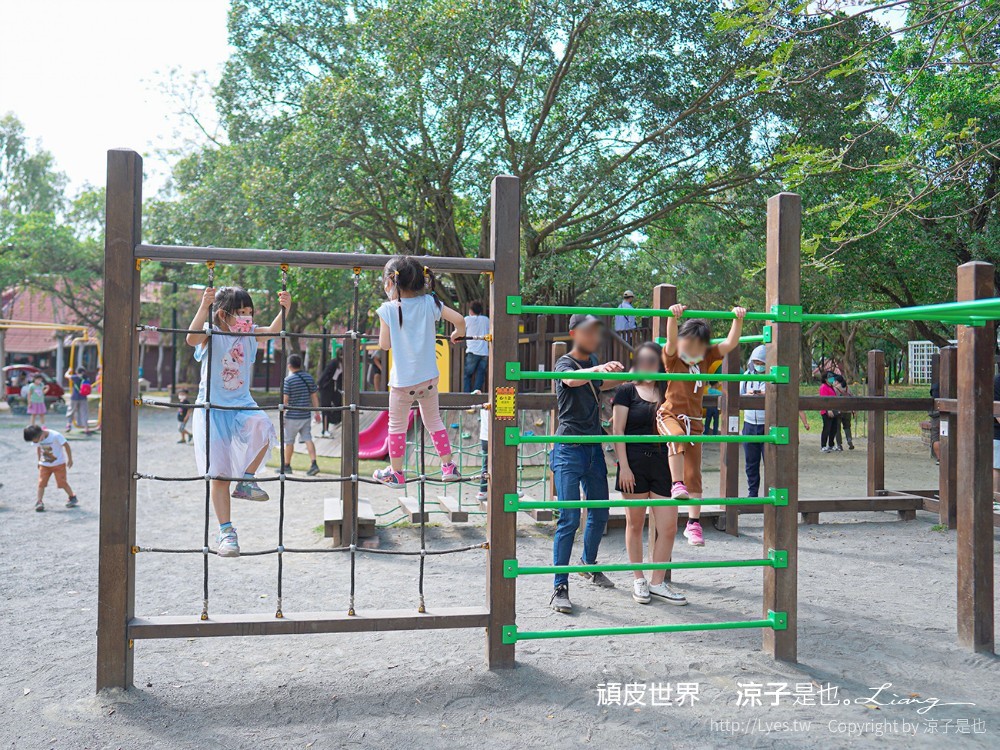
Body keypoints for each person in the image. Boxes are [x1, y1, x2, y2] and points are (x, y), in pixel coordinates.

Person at [186, 285, 287, 557]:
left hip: (242, 404)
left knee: (264, 428)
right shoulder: (213, 332)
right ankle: (226, 532)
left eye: (250, 313)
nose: (248, 318)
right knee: (218, 475)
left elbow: (273, 331)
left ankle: (247, 479)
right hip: (212, 408)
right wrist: (203, 305)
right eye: (241, 313)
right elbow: (192, 339)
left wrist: (284, 309)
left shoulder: (249, 334)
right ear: (222, 314)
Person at [549, 314, 623, 614]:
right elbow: (570, 379)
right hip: (568, 448)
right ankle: (559, 586)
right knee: (568, 518)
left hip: (593, 448)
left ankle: (588, 563)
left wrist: (627, 373)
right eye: (588, 330)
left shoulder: (592, 361)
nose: (594, 335)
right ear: (573, 333)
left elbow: (604, 383)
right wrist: (598, 368)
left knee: (600, 511)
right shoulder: (564, 363)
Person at [657, 304, 745, 547]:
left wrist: (737, 319)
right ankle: (676, 483)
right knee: (675, 439)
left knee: (694, 475)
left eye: (698, 346)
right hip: (670, 416)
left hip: (695, 423)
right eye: (688, 344)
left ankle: (693, 524)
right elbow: (671, 339)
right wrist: (673, 317)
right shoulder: (673, 359)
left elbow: (729, 344)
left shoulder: (706, 358)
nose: (692, 350)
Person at [373, 255, 465, 487]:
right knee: (434, 421)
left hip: (403, 383)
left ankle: (396, 472)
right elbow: (460, 319)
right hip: (429, 380)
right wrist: (457, 332)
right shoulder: (429, 303)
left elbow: (384, 345)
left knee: (397, 427)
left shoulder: (388, 309)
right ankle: (448, 466)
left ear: (391, 283)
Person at [612, 341, 686, 606]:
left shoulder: (667, 391)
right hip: (633, 463)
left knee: (668, 527)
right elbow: (617, 431)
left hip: (663, 463)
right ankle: (638, 579)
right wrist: (625, 467)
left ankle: (657, 581)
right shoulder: (626, 391)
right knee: (635, 523)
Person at [740, 345, 810, 497]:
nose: (758, 365)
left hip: (768, 423)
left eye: (762, 362)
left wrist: (767, 394)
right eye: (756, 362)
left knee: (771, 462)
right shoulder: (746, 376)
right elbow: (738, 397)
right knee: (751, 462)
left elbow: (783, 396)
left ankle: (770, 493)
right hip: (749, 424)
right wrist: (748, 394)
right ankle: (752, 493)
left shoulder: (774, 376)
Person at [282, 353, 321, 476]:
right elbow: (314, 396)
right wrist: (317, 412)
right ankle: (314, 463)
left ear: (289, 366)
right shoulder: (309, 377)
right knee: (308, 439)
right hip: (305, 415)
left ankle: (287, 465)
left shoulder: (288, 380)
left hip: (292, 416)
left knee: (289, 441)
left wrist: (282, 415)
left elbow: (285, 400)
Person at [24, 424, 78, 511]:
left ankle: (72, 496)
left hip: (59, 464)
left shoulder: (55, 436)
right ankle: (39, 501)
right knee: (41, 483)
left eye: (36, 441)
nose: (35, 442)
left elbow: (66, 445)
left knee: (62, 482)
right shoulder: (37, 439)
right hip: (44, 465)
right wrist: (39, 460)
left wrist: (70, 459)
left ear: (40, 434)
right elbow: (38, 448)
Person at [463, 301, 490, 392]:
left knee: (468, 375)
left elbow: (461, 331)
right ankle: (477, 392)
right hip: (484, 352)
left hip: (472, 351)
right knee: (480, 374)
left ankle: (466, 394)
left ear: (471, 310)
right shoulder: (486, 320)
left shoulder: (467, 319)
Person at [317, 349, 343, 435]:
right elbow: (325, 374)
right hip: (325, 387)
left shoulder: (342, 364)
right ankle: (324, 430)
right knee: (326, 407)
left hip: (333, 387)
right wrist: (321, 385)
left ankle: (336, 420)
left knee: (338, 402)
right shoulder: (334, 363)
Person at [65, 367, 92, 434]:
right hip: (83, 398)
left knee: (71, 410)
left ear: (77, 372)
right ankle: (86, 428)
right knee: (84, 412)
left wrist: (68, 371)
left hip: (74, 397)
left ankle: (68, 424)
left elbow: (66, 376)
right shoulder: (87, 378)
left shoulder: (75, 377)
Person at [819, 372, 840, 453]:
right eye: (830, 378)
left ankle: (831, 444)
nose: (832, 379)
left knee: (834, 429)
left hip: (834, 410)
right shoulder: (823, 387)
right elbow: (824, 400)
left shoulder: (831, 387)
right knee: (826, 428)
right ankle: (823, 445)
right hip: (826, 411)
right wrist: (828, 409)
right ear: (826, 379)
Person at [833, 373, 855, 450]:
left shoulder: (835, 389)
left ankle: (839, 444)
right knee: (847, 426)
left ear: (836, 381)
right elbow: (853, 398)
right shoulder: (848, 388)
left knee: (837, 428)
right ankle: (849, 440)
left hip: (838, 411)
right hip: (848, 411)